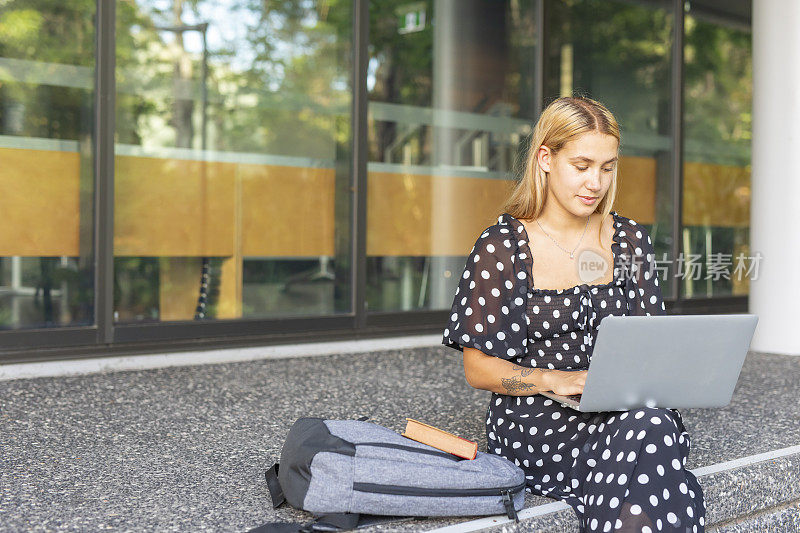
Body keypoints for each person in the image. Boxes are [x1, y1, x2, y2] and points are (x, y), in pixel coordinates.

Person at [442, 96, 706, 532]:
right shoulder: (503, 246)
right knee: (653, 444)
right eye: (582, 166)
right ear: (545, 158)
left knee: (650, 425)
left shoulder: (629, 240)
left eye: (607, 167)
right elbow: (480, 369)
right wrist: (555, 380)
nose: (596, 182)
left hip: (625, 414)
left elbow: (652, 344)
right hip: (539, 421)